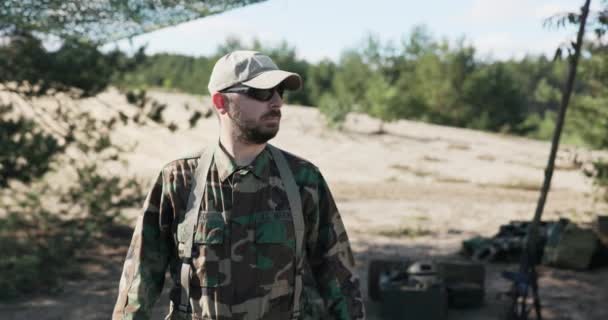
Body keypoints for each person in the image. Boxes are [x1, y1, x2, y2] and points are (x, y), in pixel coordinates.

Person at [112, 50, 365, 320]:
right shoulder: (178, 179)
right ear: (221, 102)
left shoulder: (304, 180)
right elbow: (139, 280)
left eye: (280, 91)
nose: (277, 101)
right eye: (262, 92)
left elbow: (340, 280)